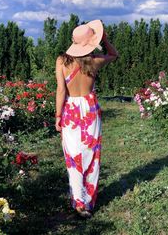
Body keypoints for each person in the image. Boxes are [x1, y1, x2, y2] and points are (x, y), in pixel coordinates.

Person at [54, 19, 119, 218]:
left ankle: (78, 201)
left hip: (71, 109)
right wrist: (105, 40)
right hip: (90, 108)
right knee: (92, 156)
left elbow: (60, 91)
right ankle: (88, 203)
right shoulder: (95, 61)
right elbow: (114, 55)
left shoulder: (61, 61)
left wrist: (57, 116)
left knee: (73, 157)